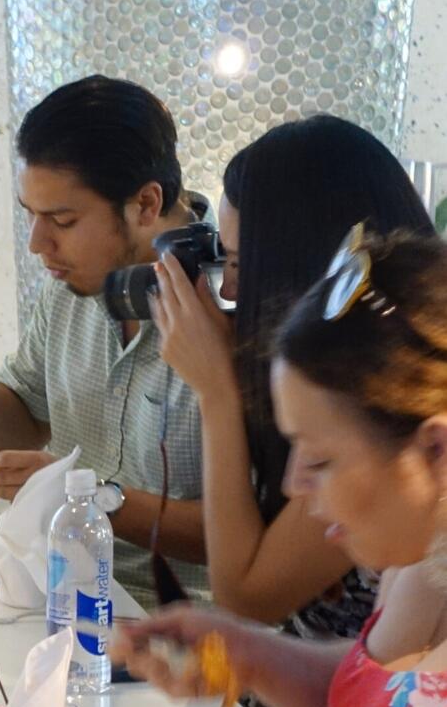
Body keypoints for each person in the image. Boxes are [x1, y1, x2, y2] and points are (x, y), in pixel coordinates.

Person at [115, 229, 447, 707]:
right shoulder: (416, 561)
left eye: (322, 458)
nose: (296, 484)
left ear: (436, 453)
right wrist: (247, 651)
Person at [0, 75, 207, 604]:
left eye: (62, 219)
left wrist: (94, 498)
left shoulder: (231, 308)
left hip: (177, 625)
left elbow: (250, 538)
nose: (39, 244)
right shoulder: (68, 285)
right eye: (32, 217)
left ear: (146, 204)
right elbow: (24, 422)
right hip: (55, 587)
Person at [150, 115, 436, 639]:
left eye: (239, 263)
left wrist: (216, 391)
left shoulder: (378, 406)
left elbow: (246, 596)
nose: (230, 290)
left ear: (293, 270)